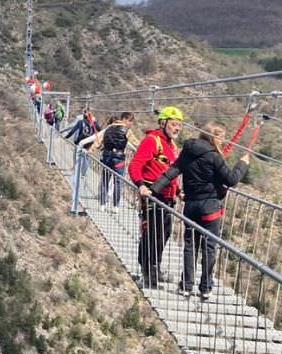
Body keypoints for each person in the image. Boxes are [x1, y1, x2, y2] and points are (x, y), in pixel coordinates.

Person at [143, 122, 251, 301]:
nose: (223, 142)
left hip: (191, 206)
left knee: (190, 246)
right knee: (209, 246)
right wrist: (242, 164)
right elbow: (231, 179)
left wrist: (153, 190)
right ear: (214, 138)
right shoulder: (214, 156)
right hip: (210, 207)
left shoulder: (188, 151)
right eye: (221, 138)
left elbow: (172, 172)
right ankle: (205, 288)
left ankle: (186, 286)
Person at [129, 106, 185, 288]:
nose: (177, 128)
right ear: (163, 123)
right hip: (153, 195)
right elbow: (135, 165)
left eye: (179, 125)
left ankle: (154, 268)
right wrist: (141, 185)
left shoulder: (171, 145)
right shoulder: (152, 141)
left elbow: (170, 173)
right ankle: (148, 273)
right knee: (152, 234)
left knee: (164, 234)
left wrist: (178, 192)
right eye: (174, 124)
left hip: (168, 198)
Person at [94, 112, 134, 211]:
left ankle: (102, 205)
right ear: (124, 119)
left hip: (106, 157)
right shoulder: (127, 131)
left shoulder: (108, 128)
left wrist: (88, 151)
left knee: (105, 181)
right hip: (119, 159)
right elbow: (136, 142)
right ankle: (115, 206)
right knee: (118, 182)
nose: (131, 124)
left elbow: (97, 142)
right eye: (130, 121)